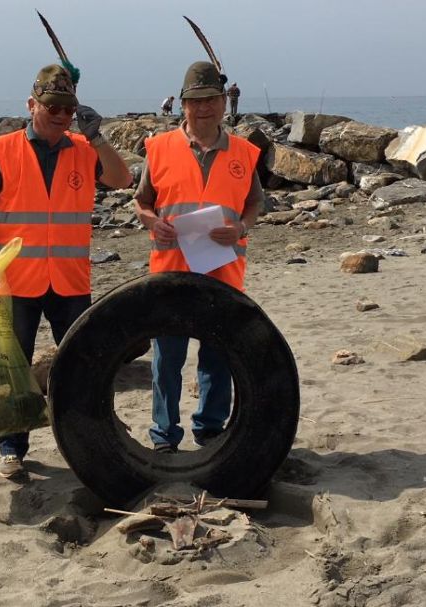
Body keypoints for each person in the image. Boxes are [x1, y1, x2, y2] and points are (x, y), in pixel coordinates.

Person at [0, 64, 132, 478]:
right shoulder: (2, 149)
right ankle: (12, 450)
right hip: (17, 282)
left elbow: (122, 178)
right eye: (51, 106)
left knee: (84, 364)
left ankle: (93, 437)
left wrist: (97, 136)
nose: (59, 115)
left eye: (66, 108)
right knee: (15, 367)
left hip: (70, 280)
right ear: (32, 104)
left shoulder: (82, 147)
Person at [132, 61, 264, 454]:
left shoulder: (244, 152)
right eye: (194, 101)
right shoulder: (158, 148)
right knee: (166, 360)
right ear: (183, 105)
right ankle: (164, 436)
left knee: (218, 357)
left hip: (222, 270)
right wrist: (153, 222)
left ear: (223, 102)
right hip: (170, 271)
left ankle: (209, 430)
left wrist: (241, 227)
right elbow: (141, 203)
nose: (203, 108)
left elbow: (256, 202)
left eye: (210, 100)